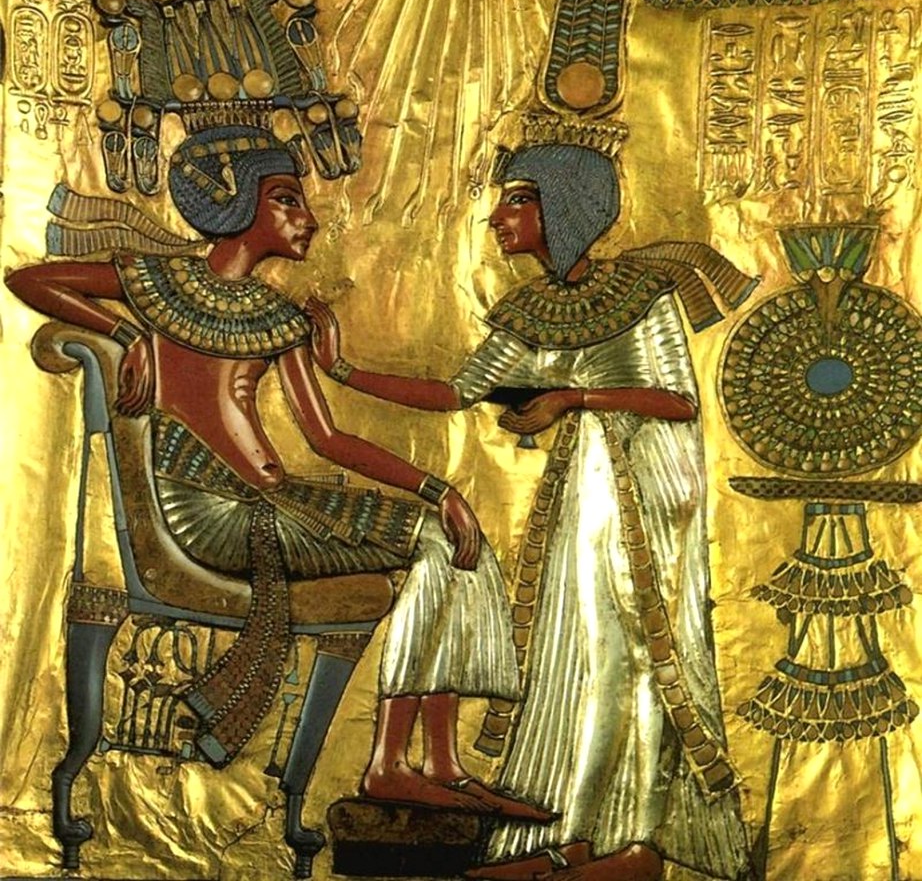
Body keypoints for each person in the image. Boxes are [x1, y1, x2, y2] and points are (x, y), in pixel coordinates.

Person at [5, 124, 554, 822]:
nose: (309, 217)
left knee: (451, 540)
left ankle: (434, 765)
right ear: (236, 202)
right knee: (441, 543)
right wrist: (125, 331)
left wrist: (437, 488)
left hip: (270, 501)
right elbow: (28, 278)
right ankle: (394, 766)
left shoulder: (279, 316)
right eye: (288, 199)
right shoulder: (154, 282)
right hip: (207, 515)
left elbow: (327, 439)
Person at [307, 140, 756, 879]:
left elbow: (679, 400)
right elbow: (456, 391)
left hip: (647, 486)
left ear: (564, 207)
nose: (497, 218)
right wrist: (345, 370)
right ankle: (578, 835)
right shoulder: (531, 308)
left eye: (517, 200)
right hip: (585, 486)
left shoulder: (642, 292)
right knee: (575, 653)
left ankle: (635, 843)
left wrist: (572, 398)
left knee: (635, 655)